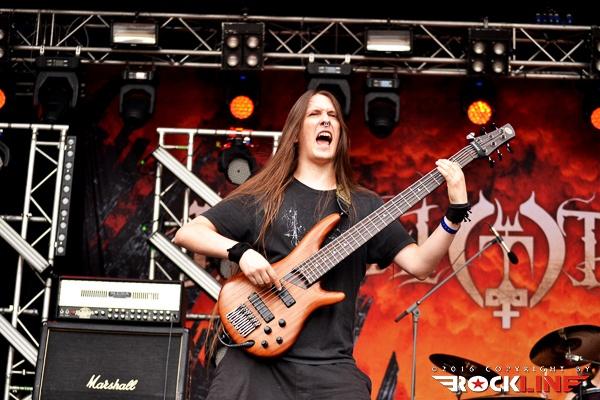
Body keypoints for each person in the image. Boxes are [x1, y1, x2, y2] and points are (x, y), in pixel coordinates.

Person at [173, 89, 469, 400]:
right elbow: (189, 233)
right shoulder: (265, 195)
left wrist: (455, 213)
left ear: (340, 134)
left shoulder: (364, 206)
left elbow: (421, 265)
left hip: (330, 364)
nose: (325, 121)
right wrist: (242, 252)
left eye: (332, 116)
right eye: (314, 114)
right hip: (256, 360)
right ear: (295, 134)